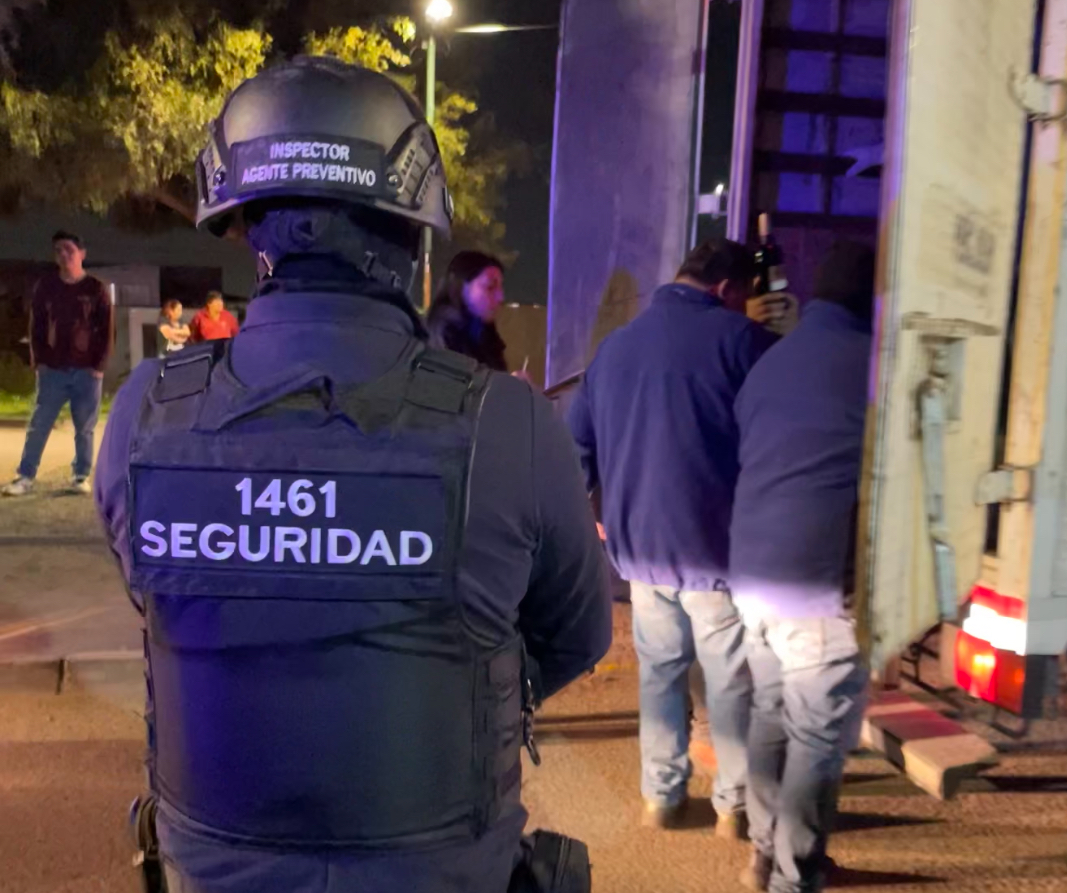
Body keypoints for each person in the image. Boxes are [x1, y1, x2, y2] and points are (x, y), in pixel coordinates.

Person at [94, 56, 611, 893]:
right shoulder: (505, 421)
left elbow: (161, 599)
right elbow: (576, 633)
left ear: (247, 226)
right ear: (412, 233)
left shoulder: (146, 410)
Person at [567, 239, 777, 838]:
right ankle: (734, 807)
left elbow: (576, 444)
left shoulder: (615, 349)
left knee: (659, 673)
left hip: (638, 548)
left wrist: (591, 513)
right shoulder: (743, 342)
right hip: (715, 545)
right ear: (726, 289)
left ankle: (661, 798)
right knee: (728, 679)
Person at [729, 241, 876, 893]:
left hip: (750, 575)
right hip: (814, 585)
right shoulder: (875, 366)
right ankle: (795, 875)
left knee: (770, 711)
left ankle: (764, 851)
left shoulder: (770, 361)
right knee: (816, 735)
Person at [2, 230, 111, 497]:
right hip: (53, 370)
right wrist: (38, 360)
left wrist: (99, 365)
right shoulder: (46, 286)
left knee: (84, 427)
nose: (63, 255)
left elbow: (106, 329)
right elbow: (36, 325)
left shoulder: (96, 288)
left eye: (69, 250)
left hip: (87, 370)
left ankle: (80, 475)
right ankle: (25, 476)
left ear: (82, 254)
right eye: (58, 251)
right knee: (39, 423)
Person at [426, 251, 508, 371]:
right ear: (460, 287)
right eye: (490, 287)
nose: (500, 296)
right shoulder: (442, 336)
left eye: (500, 287)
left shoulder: (485, 335)